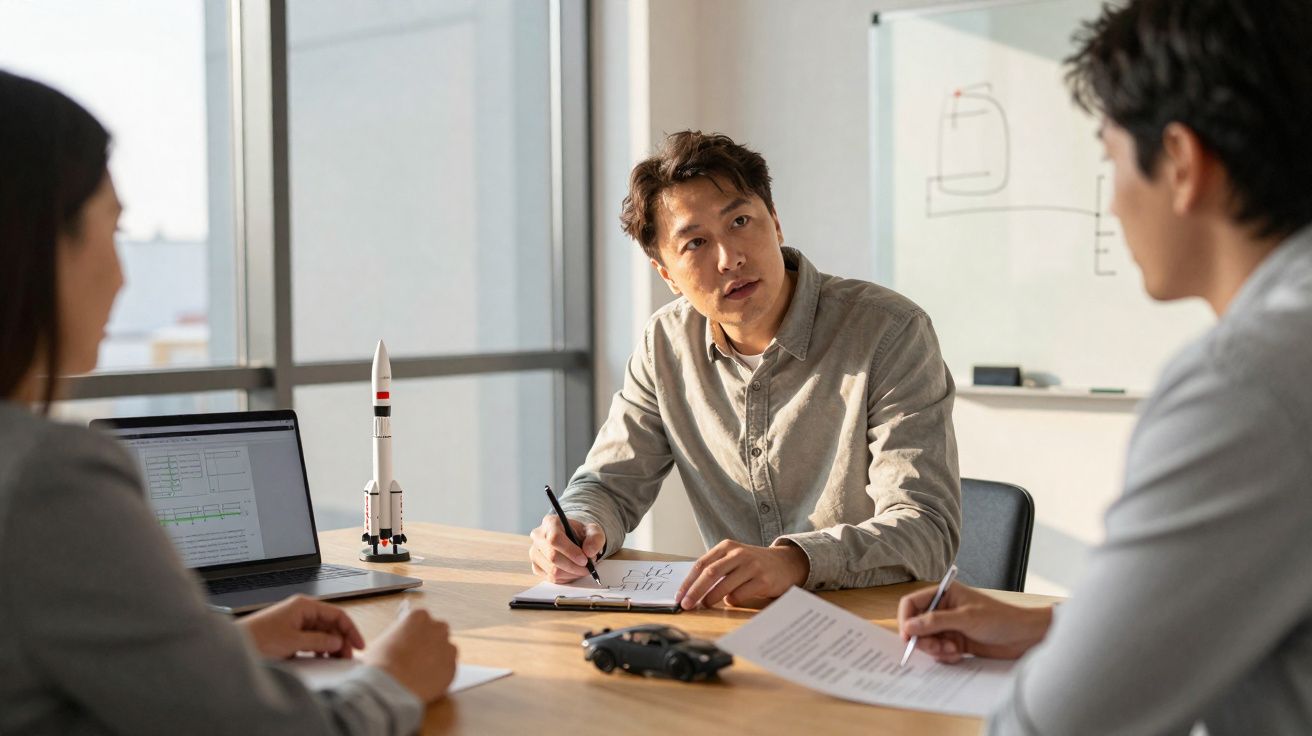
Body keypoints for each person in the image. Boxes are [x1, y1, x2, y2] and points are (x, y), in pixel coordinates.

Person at [896, 1, 1312, 733]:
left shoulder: (1244, 384)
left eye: (1109, 159)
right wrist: (1058, 628)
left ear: (1181, 163)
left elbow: (1056, 726)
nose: (1113, 201)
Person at [0, 69, 456, 735]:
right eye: (111, 229)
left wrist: (223, 648)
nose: (124, 275)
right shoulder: (48, 479)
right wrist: (391, 681)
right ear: (38, 243)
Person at [529, 131, 961, 609]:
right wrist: (579, 526)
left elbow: (926, 526)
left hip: (871, 624)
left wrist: (795, 561)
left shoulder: (889, 331)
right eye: (695, 243)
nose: (730, 257)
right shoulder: (665, 344)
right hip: (734, 624)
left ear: (775, 224)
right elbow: (608, 484)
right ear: (667, 274)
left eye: (740, 221)